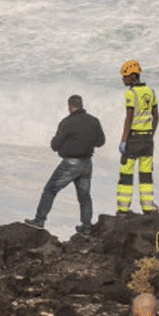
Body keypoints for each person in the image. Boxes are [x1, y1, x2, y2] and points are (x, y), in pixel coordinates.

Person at [24, 95, 105, 235]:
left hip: (70, 163)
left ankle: (39, 220)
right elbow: (100, 142)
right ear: (81, 105)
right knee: (84, 197)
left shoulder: (67, 122)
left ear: (70, 107)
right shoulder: (94, 121)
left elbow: (55, 145)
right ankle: (86, 228)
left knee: (50, 190)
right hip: (87, 163)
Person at [117, 60, 159, 215]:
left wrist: (123, 141)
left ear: (133, 77)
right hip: (147, 140)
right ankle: (148, 208)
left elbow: (128, 119)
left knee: (126, 174)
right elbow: (156, 116)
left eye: (125, 76)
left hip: (133, 139)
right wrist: (150, 134)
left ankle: (123, 209)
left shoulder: (131, 93)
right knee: (146, 175)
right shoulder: (151, 91)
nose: (123, 79)